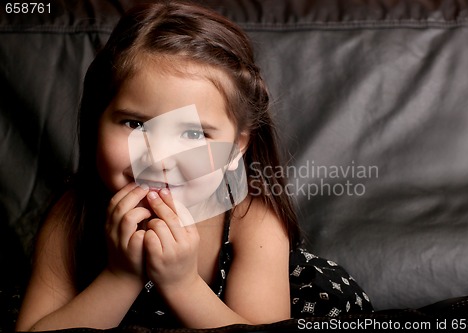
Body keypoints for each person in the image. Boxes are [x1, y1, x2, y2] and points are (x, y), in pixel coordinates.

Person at [16, 1, 371, 331]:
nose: (159, 158)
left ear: (237, 147)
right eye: (135, 124)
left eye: (192, 133)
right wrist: (121, 276)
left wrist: (180, 283)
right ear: (97, 122)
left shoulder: (253, 222)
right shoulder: (72, 215)